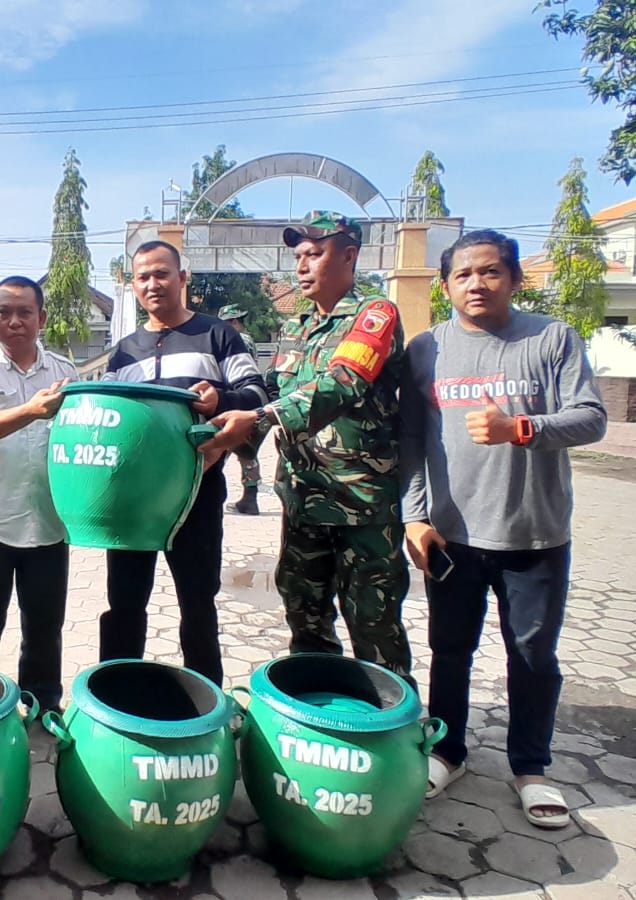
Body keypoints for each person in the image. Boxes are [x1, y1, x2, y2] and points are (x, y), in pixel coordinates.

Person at [400, 229, 607, 829]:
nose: (477, 284)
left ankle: (531, 767)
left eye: (491, 272)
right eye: (463, 275)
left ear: (515, 279)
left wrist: (522, 428)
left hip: (534, 534)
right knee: (450, 651)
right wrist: (413, 515)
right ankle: (448, 750)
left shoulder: (551, 338)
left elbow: (591, 418)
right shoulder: (426, 350)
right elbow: (412, 440)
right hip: (453, 535)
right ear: (445, 287)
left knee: (532, 654)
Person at [200, 211, 414, 686]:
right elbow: (270, 393)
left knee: (374, 628)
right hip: (303, 504)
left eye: (314, 254)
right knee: (306, 622)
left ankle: (393, 737)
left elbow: (343, 384)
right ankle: (321, 725)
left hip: (362, 509)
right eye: (298, 256)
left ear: (350, 255)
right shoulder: (297, 330)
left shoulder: (375, 316)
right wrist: (219, 433)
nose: (301, 266)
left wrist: (257, 418)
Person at [100, 240, 268, 685]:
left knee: (197, 602)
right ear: (131, 284)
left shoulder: (218, 335)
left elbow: (257, 395)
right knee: (124, 603)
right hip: (132, 501)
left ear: (182, 278)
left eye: (162, 274)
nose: (153, 284)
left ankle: (206, 700)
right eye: (143, 277)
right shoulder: (124, 352)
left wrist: (222, 400)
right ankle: (116, 696)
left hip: (197, 492)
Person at [0, 276, 78, 715]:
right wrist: (32, 410)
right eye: (4, 312)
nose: (14, 321)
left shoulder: (65, 373)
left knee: (45, 626)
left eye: (24, 312)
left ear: (41, 318)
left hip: (49, 520)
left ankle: (43, 705)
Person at [217, 305, 263, 516]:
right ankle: (249, 497)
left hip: (236, 402)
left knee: (221, 448)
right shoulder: (249, 339)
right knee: (247, 452)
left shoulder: (237, 340)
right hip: (250, 403)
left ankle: (211, 494)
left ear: (233, 322)